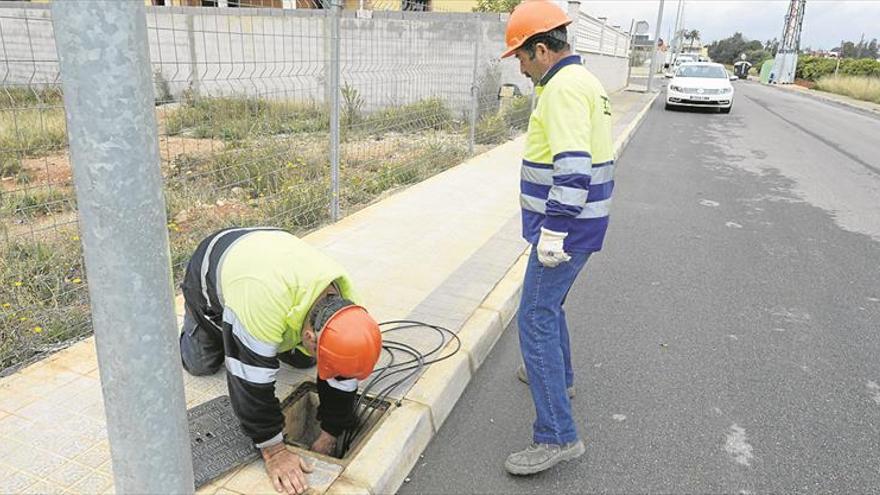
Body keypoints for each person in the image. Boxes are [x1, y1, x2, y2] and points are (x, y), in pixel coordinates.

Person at [500, 0, 615, 476]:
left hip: (565, 229)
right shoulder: (582, 80)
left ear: (542, 50)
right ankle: (559, 378)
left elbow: (572, 167)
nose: (522, 69)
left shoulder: (564, 89)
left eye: (522, 58)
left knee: (534, 317)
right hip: (580, 225)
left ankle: (557, 436)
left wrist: (552, 231)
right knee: (550, 308)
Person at [179, 227, 382, 495]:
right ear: (310, 336)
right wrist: (274, 452)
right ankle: (197, 326)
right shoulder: (259, 302)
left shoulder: (348, 310)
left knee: (301, 361)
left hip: (269, 254)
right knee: (201, 363)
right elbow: (248, 385)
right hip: (212, 270)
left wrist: (331, 432)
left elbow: (342, 375)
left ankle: (265, 339)